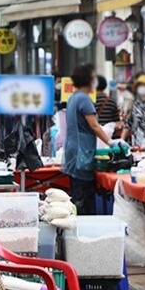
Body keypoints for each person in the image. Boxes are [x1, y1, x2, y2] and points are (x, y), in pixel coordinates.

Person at [62, 64, 119, 216]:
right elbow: (94, 126)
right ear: (89, 80)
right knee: (85, 201)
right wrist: (111, 142)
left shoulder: (73, 97)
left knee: (77, 196)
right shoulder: (84, 99)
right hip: (82, 153)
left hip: (73, 152)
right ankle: (85, 235)